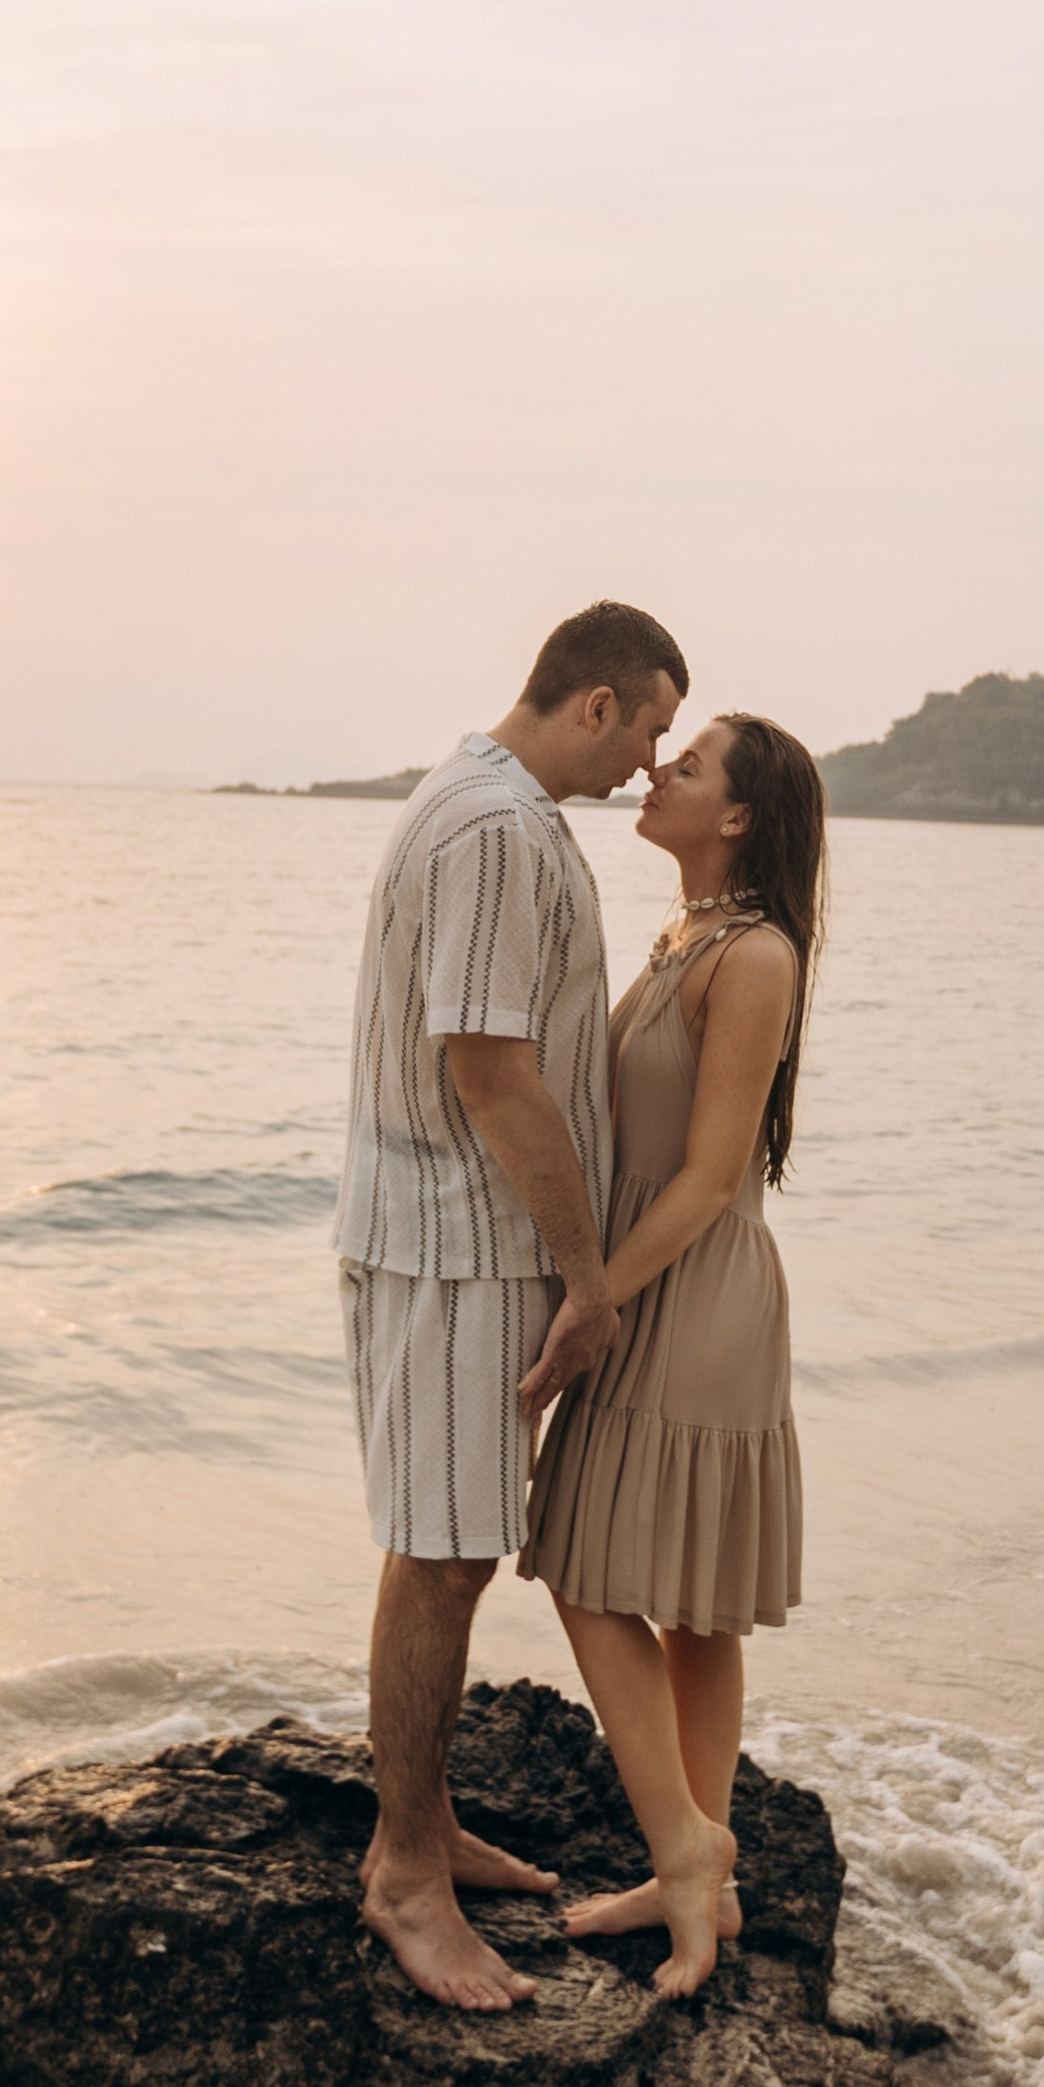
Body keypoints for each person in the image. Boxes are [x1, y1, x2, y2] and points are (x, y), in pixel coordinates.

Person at [338, 600, 688, 2011]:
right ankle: (404, 1879)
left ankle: (423, 1833)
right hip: (452, 1244)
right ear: (593, 703)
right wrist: (589, 1277)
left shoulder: (507, 811)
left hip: (473, 1245)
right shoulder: (489, 827)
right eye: (649, 730)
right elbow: (487, 1069)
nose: (649, 766)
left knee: (457, 1545)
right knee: (438, 1552)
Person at [517, 711, 826, 1995]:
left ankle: (687, 1845)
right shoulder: (684, 936)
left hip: (690, 1298)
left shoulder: (750, 957)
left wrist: (594, 1301)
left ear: (739, 816)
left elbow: (707, 1179)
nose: (658, 770)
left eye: (687, 766)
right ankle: (696, 1865)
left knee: (586, 1561)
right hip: (659, 1285)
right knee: (684, 1606)